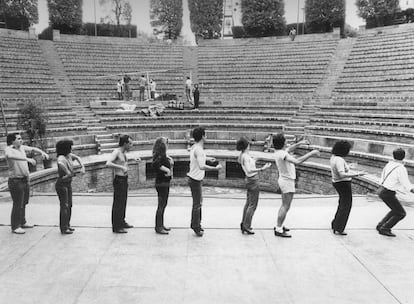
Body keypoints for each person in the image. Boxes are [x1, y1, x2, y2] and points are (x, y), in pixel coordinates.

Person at [273, 134, 319, 238]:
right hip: (287, 181)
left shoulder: (280, 151)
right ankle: (278, 228)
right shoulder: (282, 154)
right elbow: (297, 161)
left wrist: (299, 143)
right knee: (285, 206)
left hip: (285, 180)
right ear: (282, 143)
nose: (287, 142)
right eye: (285, 140)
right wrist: (311, 153)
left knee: (284, 205)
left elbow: (289, 148)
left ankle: (279, 225)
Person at [5, 133, 49, 234]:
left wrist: (42, 152)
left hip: (25, 179)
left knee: (24, 203)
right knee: (17, 204)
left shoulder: (22, 148)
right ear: (12, 141)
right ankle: (15, 226)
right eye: (18, 139)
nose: (21, 140)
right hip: (15, 180)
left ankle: (23, 222)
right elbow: (9, 156)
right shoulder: (8, 149)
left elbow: (33, 149)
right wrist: (26, 159)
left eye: (21, 139)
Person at [187, 127, 222, 236]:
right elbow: (202, 166)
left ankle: (197, 224)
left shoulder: (195, 147)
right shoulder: (199, 149)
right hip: (196, 180)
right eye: (205, 134)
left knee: (198, 203)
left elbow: (199, 159)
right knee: (197, 204)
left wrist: (208, 159)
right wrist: (215, 169)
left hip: (194, 179)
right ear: (202, 136)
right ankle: (196, 226)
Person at [236, 137, 271, 235]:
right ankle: (247, 226)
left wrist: (254, 160)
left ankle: (244, 223)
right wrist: (262, 169)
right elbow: (249, 169)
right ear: (247, 146)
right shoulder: (245, 157)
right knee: (252, 205)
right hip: (253, 180)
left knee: (248, 203)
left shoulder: (243, 155)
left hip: (248, 180)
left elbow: (249, 165)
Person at [330, 140, 366, 236]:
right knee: (346, 206)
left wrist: (348, 166)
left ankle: (335, 224)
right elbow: (341, 174)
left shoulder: (334, 157)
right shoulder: (340, 160)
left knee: (342, 204)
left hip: (337, 183)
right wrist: (358, 174)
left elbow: (339, 169)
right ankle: (339, 228)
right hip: (343, 184)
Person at [106, 135, 140, 233]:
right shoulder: (116, 152)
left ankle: (121, 221)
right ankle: (116, 226)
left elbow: (123, 164)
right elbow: (108, 163)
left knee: (123, 202)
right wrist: (121, 168)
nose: (131, 146)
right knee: (118, 203)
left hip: (124, 179)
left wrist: (133, 160)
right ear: (125, 143)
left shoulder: (123, 153)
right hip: (119, 180)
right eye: (130, 143)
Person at [376, 148, 414, 237]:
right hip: (388, 192)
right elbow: (406, 184)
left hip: (382, 190)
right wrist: (412, 190)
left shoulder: (388, 164)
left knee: (395, 210)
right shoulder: (401, 168)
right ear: (404, 157)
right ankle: (385, 228)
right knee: (401, 213)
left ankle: (380, 225)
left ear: (393, 155)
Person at [55, 139, 85, 234]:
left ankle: (67, 224)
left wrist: (82, 166)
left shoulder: (69, 156)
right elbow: (60, 164)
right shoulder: (61, 157)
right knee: (65, 205)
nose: (71, 149)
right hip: (62, 184)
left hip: (68, 183)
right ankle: (64, 227)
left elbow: (78, 158)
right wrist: (68, 172)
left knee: (69, 205)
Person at [152, 137, 174, 234]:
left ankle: (161, 225)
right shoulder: (159, 155)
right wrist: (167, 170)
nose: (168, 144)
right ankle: (158, 227)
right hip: (161, 183)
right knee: (161, 205)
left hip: (164, 182)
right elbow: (155, 164)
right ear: (162, 145)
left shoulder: (162, 155)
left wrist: (170, 162)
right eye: (166, 143)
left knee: (163, 205)